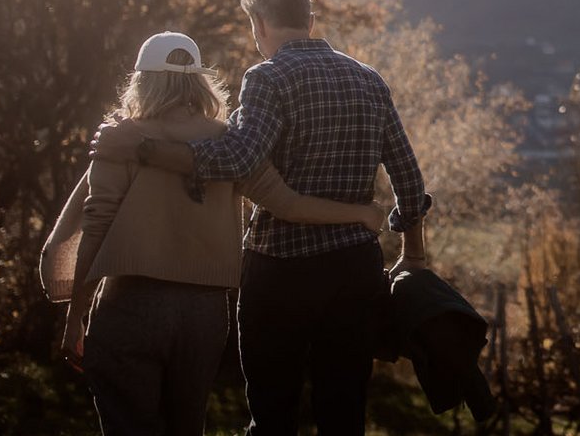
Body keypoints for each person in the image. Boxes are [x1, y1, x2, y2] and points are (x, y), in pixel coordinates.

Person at [92, 0, 429, 436]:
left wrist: (147, 149)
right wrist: (413, 253)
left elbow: (239, 156)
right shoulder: (369, 80)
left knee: (273, 412)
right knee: (344, 409)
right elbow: (409, 178)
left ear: (260, 26)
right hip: (355, 269)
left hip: (281, 269)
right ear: (309, 20)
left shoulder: (268, 77)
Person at [41, 32, 387, 436]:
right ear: (199, 81)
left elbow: (96, 226)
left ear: (143, 80)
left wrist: (74, 317)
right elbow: (287, 204)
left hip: (129, 305)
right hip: (203, 315)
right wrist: (360, 213)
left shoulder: (120, 139)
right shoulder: (230, 144)